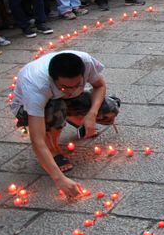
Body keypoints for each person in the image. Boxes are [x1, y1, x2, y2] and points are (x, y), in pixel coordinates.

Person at [11, 51, 121, 197]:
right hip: (27, 107)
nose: (71, 91)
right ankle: (53, 149)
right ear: (53, 80)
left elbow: (99, 86)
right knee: (54, 110)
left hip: (59, 99)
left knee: (109, 110)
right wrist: (60, 179)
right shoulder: (36, 88)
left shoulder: (86, 62)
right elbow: (37, 140)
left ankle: (71, 117)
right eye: (65, 87)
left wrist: (91, 114)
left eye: (77, 85)